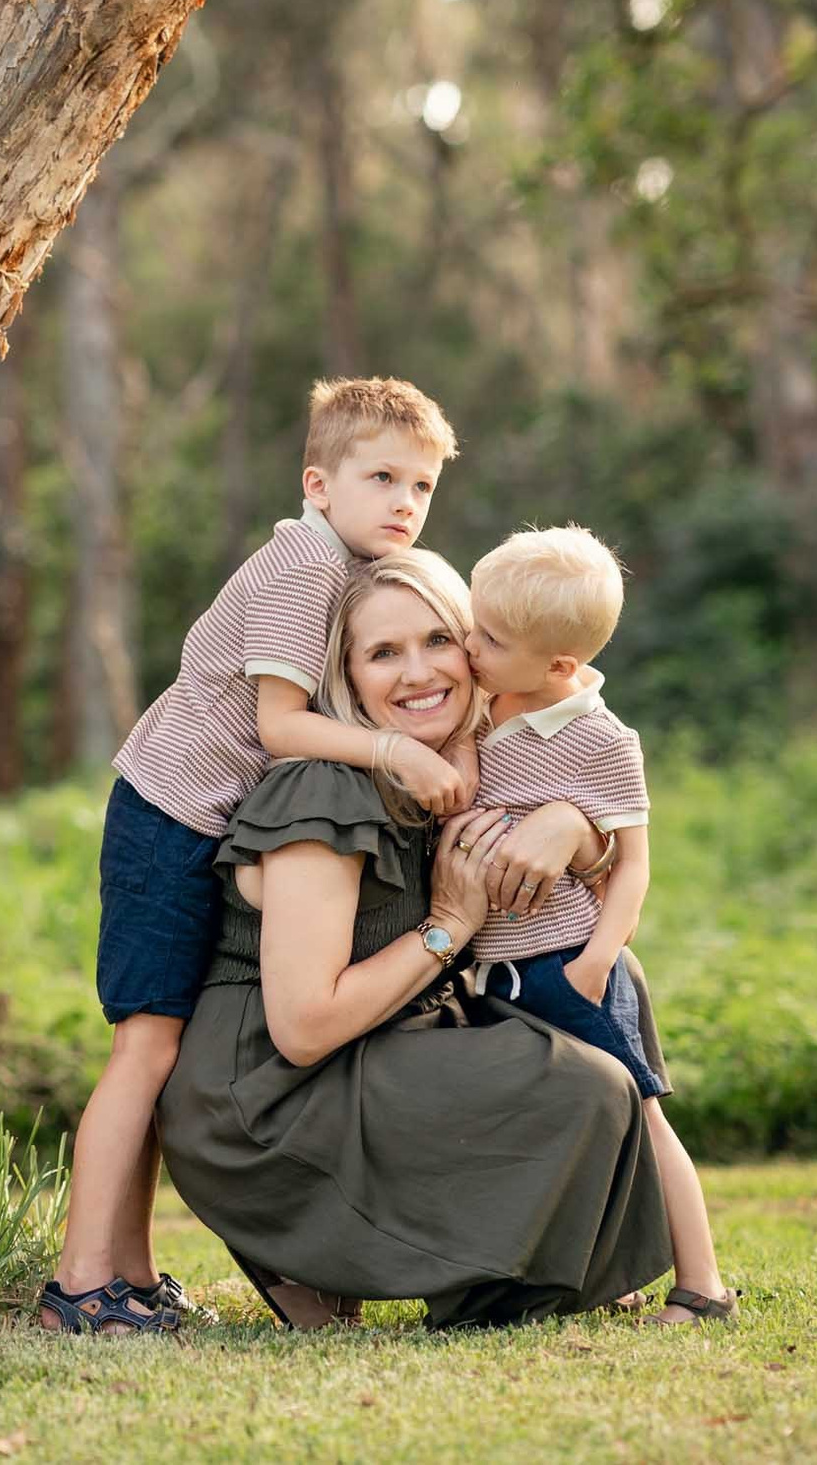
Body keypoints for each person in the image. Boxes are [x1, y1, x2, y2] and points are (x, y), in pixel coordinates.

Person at [38, 378, 473, 1336]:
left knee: (168, 1051)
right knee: (144, 1049)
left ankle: (135, 1277)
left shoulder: (340, 568)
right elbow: (281, 727)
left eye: (424, 485)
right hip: (169, 814)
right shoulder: (303, 571)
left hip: (207, 821)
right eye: (382, 478)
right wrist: (396, 751)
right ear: (320, 484)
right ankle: (77, 1286)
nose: (406, 502)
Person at [157, 549, 675, 1329]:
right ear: (348, 678)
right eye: (382, 653)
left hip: (381, 1052)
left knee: (607, 1004)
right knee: (587, 1087)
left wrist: (574, 827)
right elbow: (302, 1030)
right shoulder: (321, 789)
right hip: (267, 1099)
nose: (417, 671)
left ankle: (516, 1271)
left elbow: (596, 840)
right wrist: (449, 926)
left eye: (438, 640)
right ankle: (421, 1265)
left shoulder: (450, 774)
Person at [461, 524, 735, 1325]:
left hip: (570, 961)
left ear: (558, 666)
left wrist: (596, 961)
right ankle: (609, 1276)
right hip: (497, 969)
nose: (471, 647)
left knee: (643, 1117)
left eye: (492, 639)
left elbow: (632, 866)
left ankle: (704, 1287)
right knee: (568, 1121)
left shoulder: (602, 740)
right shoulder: (482, 704)